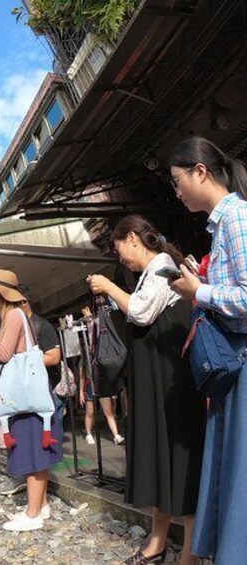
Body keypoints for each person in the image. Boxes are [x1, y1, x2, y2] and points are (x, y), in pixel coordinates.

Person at [87, 215, 204, 565]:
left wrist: (109, 288)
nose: (118, 254)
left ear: (134, 238)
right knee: (160, 457)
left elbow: (140, 312)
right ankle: (157, 542)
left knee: (181, 461)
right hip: (160, 382)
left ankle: (189, 553)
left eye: (118, 246)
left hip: (173, 384)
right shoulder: (148, 274)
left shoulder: (163, 267)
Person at [167, 137, 247, 565]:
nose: (177, 192)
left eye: (178, 181)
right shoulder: (226, 222)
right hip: (234, 365)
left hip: (241, 360)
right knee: (234, 469)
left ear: (200, 171)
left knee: (239, 471)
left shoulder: (235, 217)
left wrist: (201, 290)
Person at [0, 269, 62, 532]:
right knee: (36, 453)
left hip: (23, 399)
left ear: (4, 295)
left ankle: (33, 514)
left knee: (32, 454)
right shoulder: (18, 315)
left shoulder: (14, 316)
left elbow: (4, 354)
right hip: (29, 396)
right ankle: (39, 507)